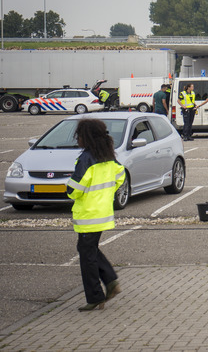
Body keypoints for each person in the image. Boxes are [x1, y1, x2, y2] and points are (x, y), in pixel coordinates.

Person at [67, 119, 126, 311]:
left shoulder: (86, 159)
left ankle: (95, 296)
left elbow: (74, 189)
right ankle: (110, 282)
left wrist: (68, 189)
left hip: (88, 214)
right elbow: (120, 175)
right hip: (103, 212)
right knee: (89, 249)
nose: (78, 139)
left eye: (79, 136)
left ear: (86, 137)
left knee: (87, 254)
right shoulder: (108, 156)